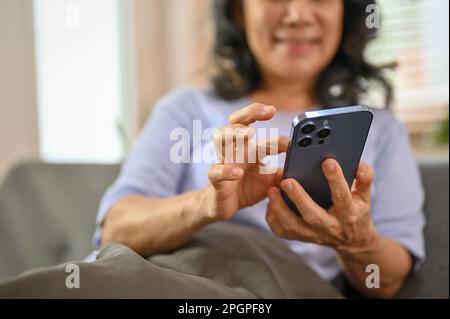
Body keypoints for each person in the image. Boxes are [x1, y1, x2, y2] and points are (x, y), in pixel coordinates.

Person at [94, 0, 425, 298]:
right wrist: (206, 205)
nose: (297, 15)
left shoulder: (379, 130)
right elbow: (116, 229)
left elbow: (388, 280)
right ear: (240, 10)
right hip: (169, 276)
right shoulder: (183, 109)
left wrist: (357, 239)